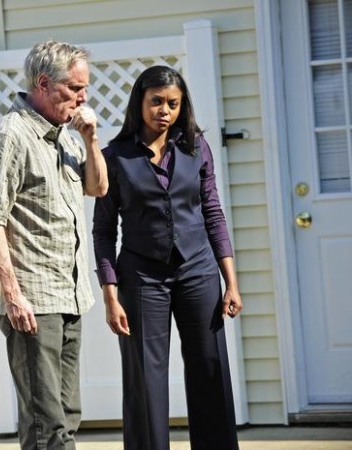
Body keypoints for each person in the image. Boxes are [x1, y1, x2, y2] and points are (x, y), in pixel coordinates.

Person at [92, 65, 242, 450]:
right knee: (146, 381)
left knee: (210, 369)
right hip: (142, 277)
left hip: (198, 271)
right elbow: (104, 230)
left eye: (173, 104)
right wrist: (110, 296)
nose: (165, 111)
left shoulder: (196, 148)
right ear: (139, 103)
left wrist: (231, 282)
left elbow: (213, 213)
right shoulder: (115, 157)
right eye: (156, 101)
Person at [0, 40, 108, 450]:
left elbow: (98, 187)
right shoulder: (10, 136)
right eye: (74, 88)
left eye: (85, 88)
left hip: (68, 295)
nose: (83, 97)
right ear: (44, 84)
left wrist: (91, 140)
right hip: (33, 302)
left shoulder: (65, 136)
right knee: (46, 424)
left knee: (66, 416)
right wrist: (13, 296)